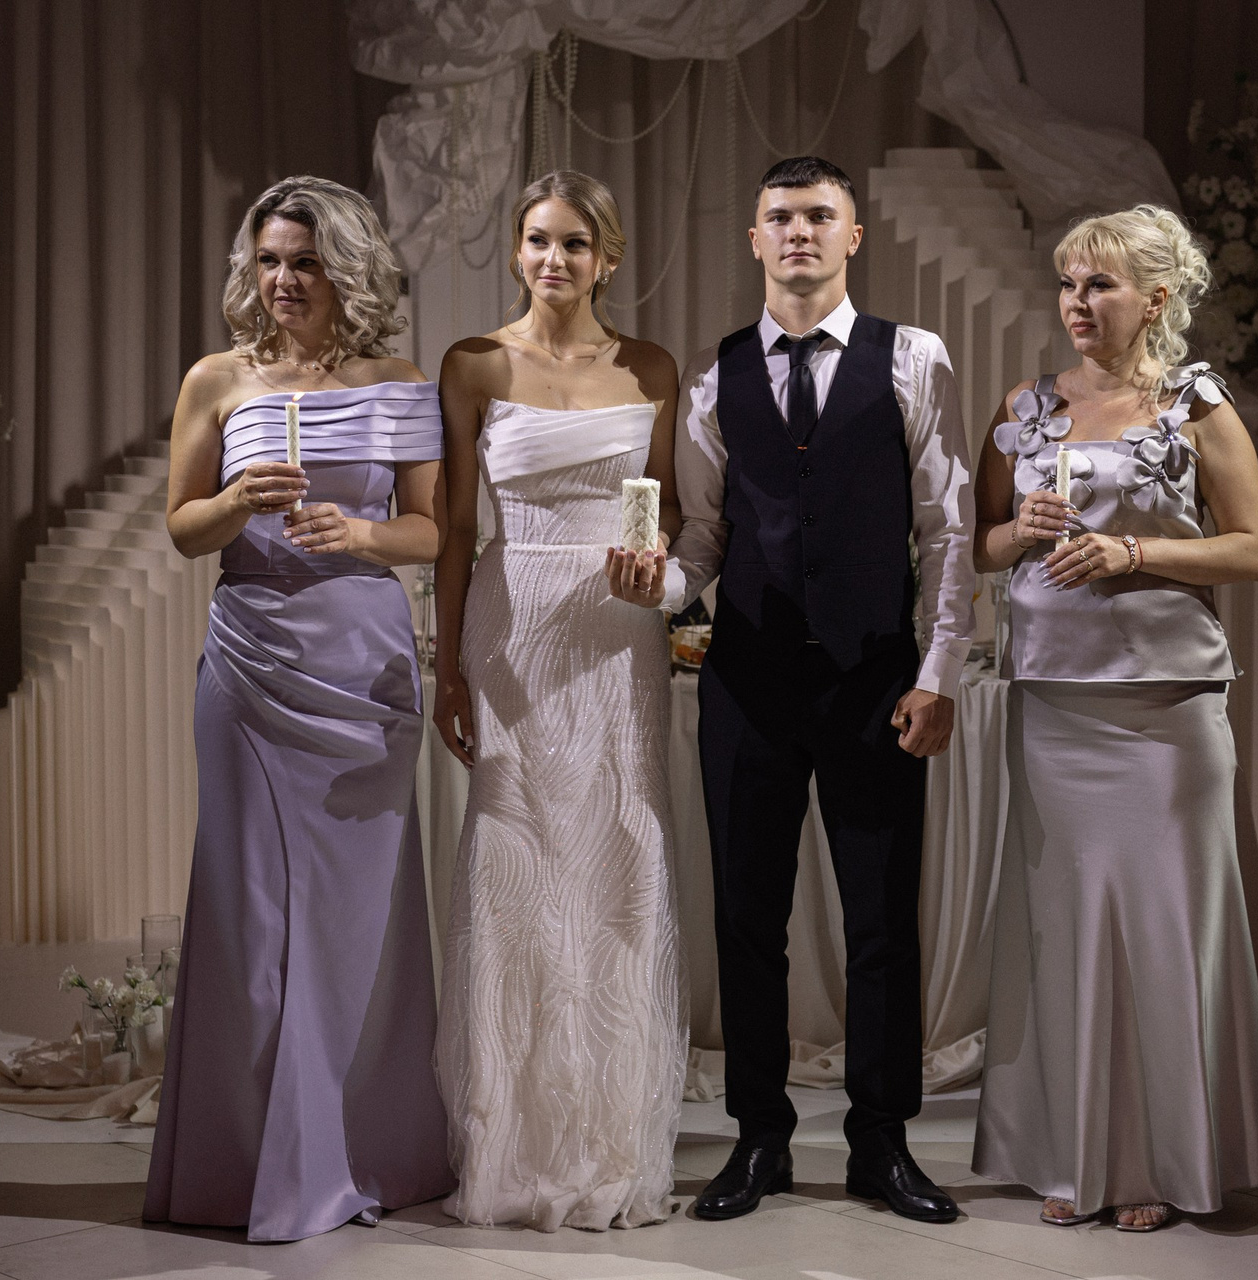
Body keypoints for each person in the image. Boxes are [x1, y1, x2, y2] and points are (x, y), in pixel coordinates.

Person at [609, 156, 974, 1225]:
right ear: (756, 239)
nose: (800, 232)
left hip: (876, 680)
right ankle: (759, 1138)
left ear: (853, 235)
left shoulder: (915, 358)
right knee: (746, 919)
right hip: (749, 681)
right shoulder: (715, 374)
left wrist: (938, 672)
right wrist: (656, 586)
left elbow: (947, 529)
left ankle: (881, 1141)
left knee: (882, 923)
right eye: (781, 216)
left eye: (820, 215)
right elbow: (706, 537)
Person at [146, 176, 454, 1241]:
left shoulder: (398, 382)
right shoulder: (216, 380)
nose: (283, 279)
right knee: (251, 918)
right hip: (251, 662)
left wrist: (360, 536)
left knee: (355, 920)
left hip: (361, 667)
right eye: (271, 260)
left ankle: (366, 1150)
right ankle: (248, 1165)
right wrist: (235, 502)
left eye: (306, 262)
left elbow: (433, 531)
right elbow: (182, 529)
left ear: (347, 270)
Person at [969, 205, 1258, 1232]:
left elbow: (1252, 549)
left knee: (1161, 931)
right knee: (1065, 932)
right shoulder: (1024, 406)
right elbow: (979, 544)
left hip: (1164, 708)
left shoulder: (1195, 404)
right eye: (1069, 284)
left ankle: (1156, 1160)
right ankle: (1076, 1153)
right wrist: (1021, 529)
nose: (1077, 302)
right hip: (1053, 702)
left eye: (1099, 284)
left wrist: (1133, 552)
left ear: (1156, 299)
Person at [431, 170, 686, 1232]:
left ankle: (610, 1141)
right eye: (538, 239)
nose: (553, 259)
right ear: (516, 249)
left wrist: (655, 567)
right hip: (514, 629)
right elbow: (454, 528)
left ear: (607, 258)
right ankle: (512, 1146)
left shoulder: (653, 367)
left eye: (575, 243)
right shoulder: (474, 364)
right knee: (517, 867)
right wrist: (446, 664)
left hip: (618, 639)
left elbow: (661, 517)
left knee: (619, 857)